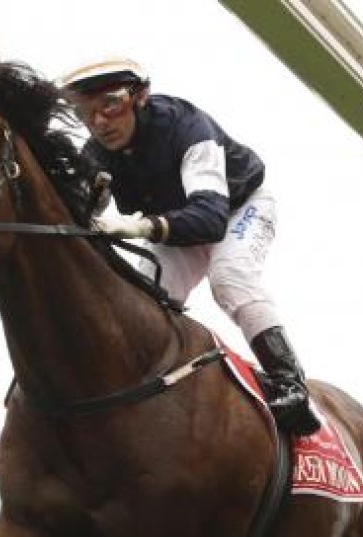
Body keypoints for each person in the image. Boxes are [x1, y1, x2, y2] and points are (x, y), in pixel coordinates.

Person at [57, 58, 322, 436]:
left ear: (140, 96)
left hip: (236, 209)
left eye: (111, 103)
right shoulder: (96, 152)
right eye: (85, 112)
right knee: (142, 298)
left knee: (229, 278)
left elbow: (211, 219)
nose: (100, 121)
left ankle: (292, 385)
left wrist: (135, 226)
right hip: (179, 227)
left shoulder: (186, 127)